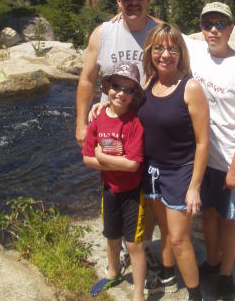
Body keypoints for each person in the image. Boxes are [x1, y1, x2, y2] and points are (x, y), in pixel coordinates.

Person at [76, 0, 159, 274]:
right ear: (118, 1)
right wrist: (80, 124)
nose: (133, 1)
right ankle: (121, 245)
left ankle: (140, 246)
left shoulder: (158, 32)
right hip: (110, 122)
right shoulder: (103, 33)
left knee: (147, 188)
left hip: (148, 122)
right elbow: (86, 79)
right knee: (113, 183)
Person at [184, 2, 235, 299]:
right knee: (207, 213)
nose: (214, 29)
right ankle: (213, 261)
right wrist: (128, 11)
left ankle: (227, 274)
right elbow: (165, 30)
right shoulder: (197, 53)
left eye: (220, 24)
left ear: (231, 27)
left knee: (231, 218)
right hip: (205, 157)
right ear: (202, 28)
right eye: (208, 24)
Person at [137, 23, 210, 301]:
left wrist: (194, 186)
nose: (165, 54)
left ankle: (195, 295)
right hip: (152, 171)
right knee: (165, 229)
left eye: (172, 48)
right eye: (159, 48)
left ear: (181, 52)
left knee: (179, 239)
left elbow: (203, 142)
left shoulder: (190, 88)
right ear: (150, 52)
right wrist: (101, 108)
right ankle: (168, 272)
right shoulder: (149, 83)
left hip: (179, 172)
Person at [82, 61, 146, 301]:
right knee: (111, 236)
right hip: (109, 189)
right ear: (107, 87)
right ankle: (113, 272)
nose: (121, 93)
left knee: (134, 245)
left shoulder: (134, 123)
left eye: (128, 90)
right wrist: (100, 159)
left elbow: (133, 165)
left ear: (134, 96)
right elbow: (87, 158)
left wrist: (102, 156)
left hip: (132, 193)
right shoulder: (97, 119)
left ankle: (138, 293)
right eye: (116, 86)